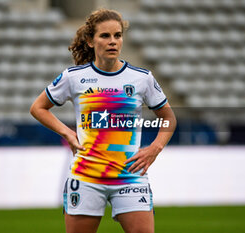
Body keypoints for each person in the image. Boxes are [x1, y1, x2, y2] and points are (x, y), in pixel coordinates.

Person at [30, 8, 176, 233]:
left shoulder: (142, 78)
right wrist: (67, 132)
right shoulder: (74, 77)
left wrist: (155, 148)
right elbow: (38, 108)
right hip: (87, 175)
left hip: (129, 175)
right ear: (90, 41)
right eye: (105, 36)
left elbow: (168, 117)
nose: (113, 42)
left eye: (117, 35)